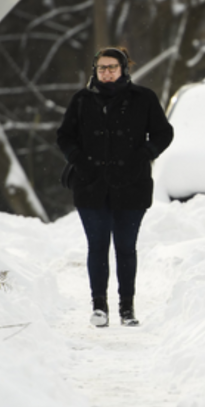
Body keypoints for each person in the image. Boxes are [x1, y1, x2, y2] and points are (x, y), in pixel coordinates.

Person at [56, 47, 173, 327]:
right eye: (102, 68)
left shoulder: (143, 98)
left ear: (123, 70)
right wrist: (79, 160)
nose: (107, 72)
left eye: (112, 67)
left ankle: (127, 309)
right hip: (89, 184)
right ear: (95, 71)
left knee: (125, 247)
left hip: (132, 184)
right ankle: (99, 307)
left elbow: (163, 132)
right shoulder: (82, 100)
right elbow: (64, 136)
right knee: (97, 246)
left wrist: (144, 154)